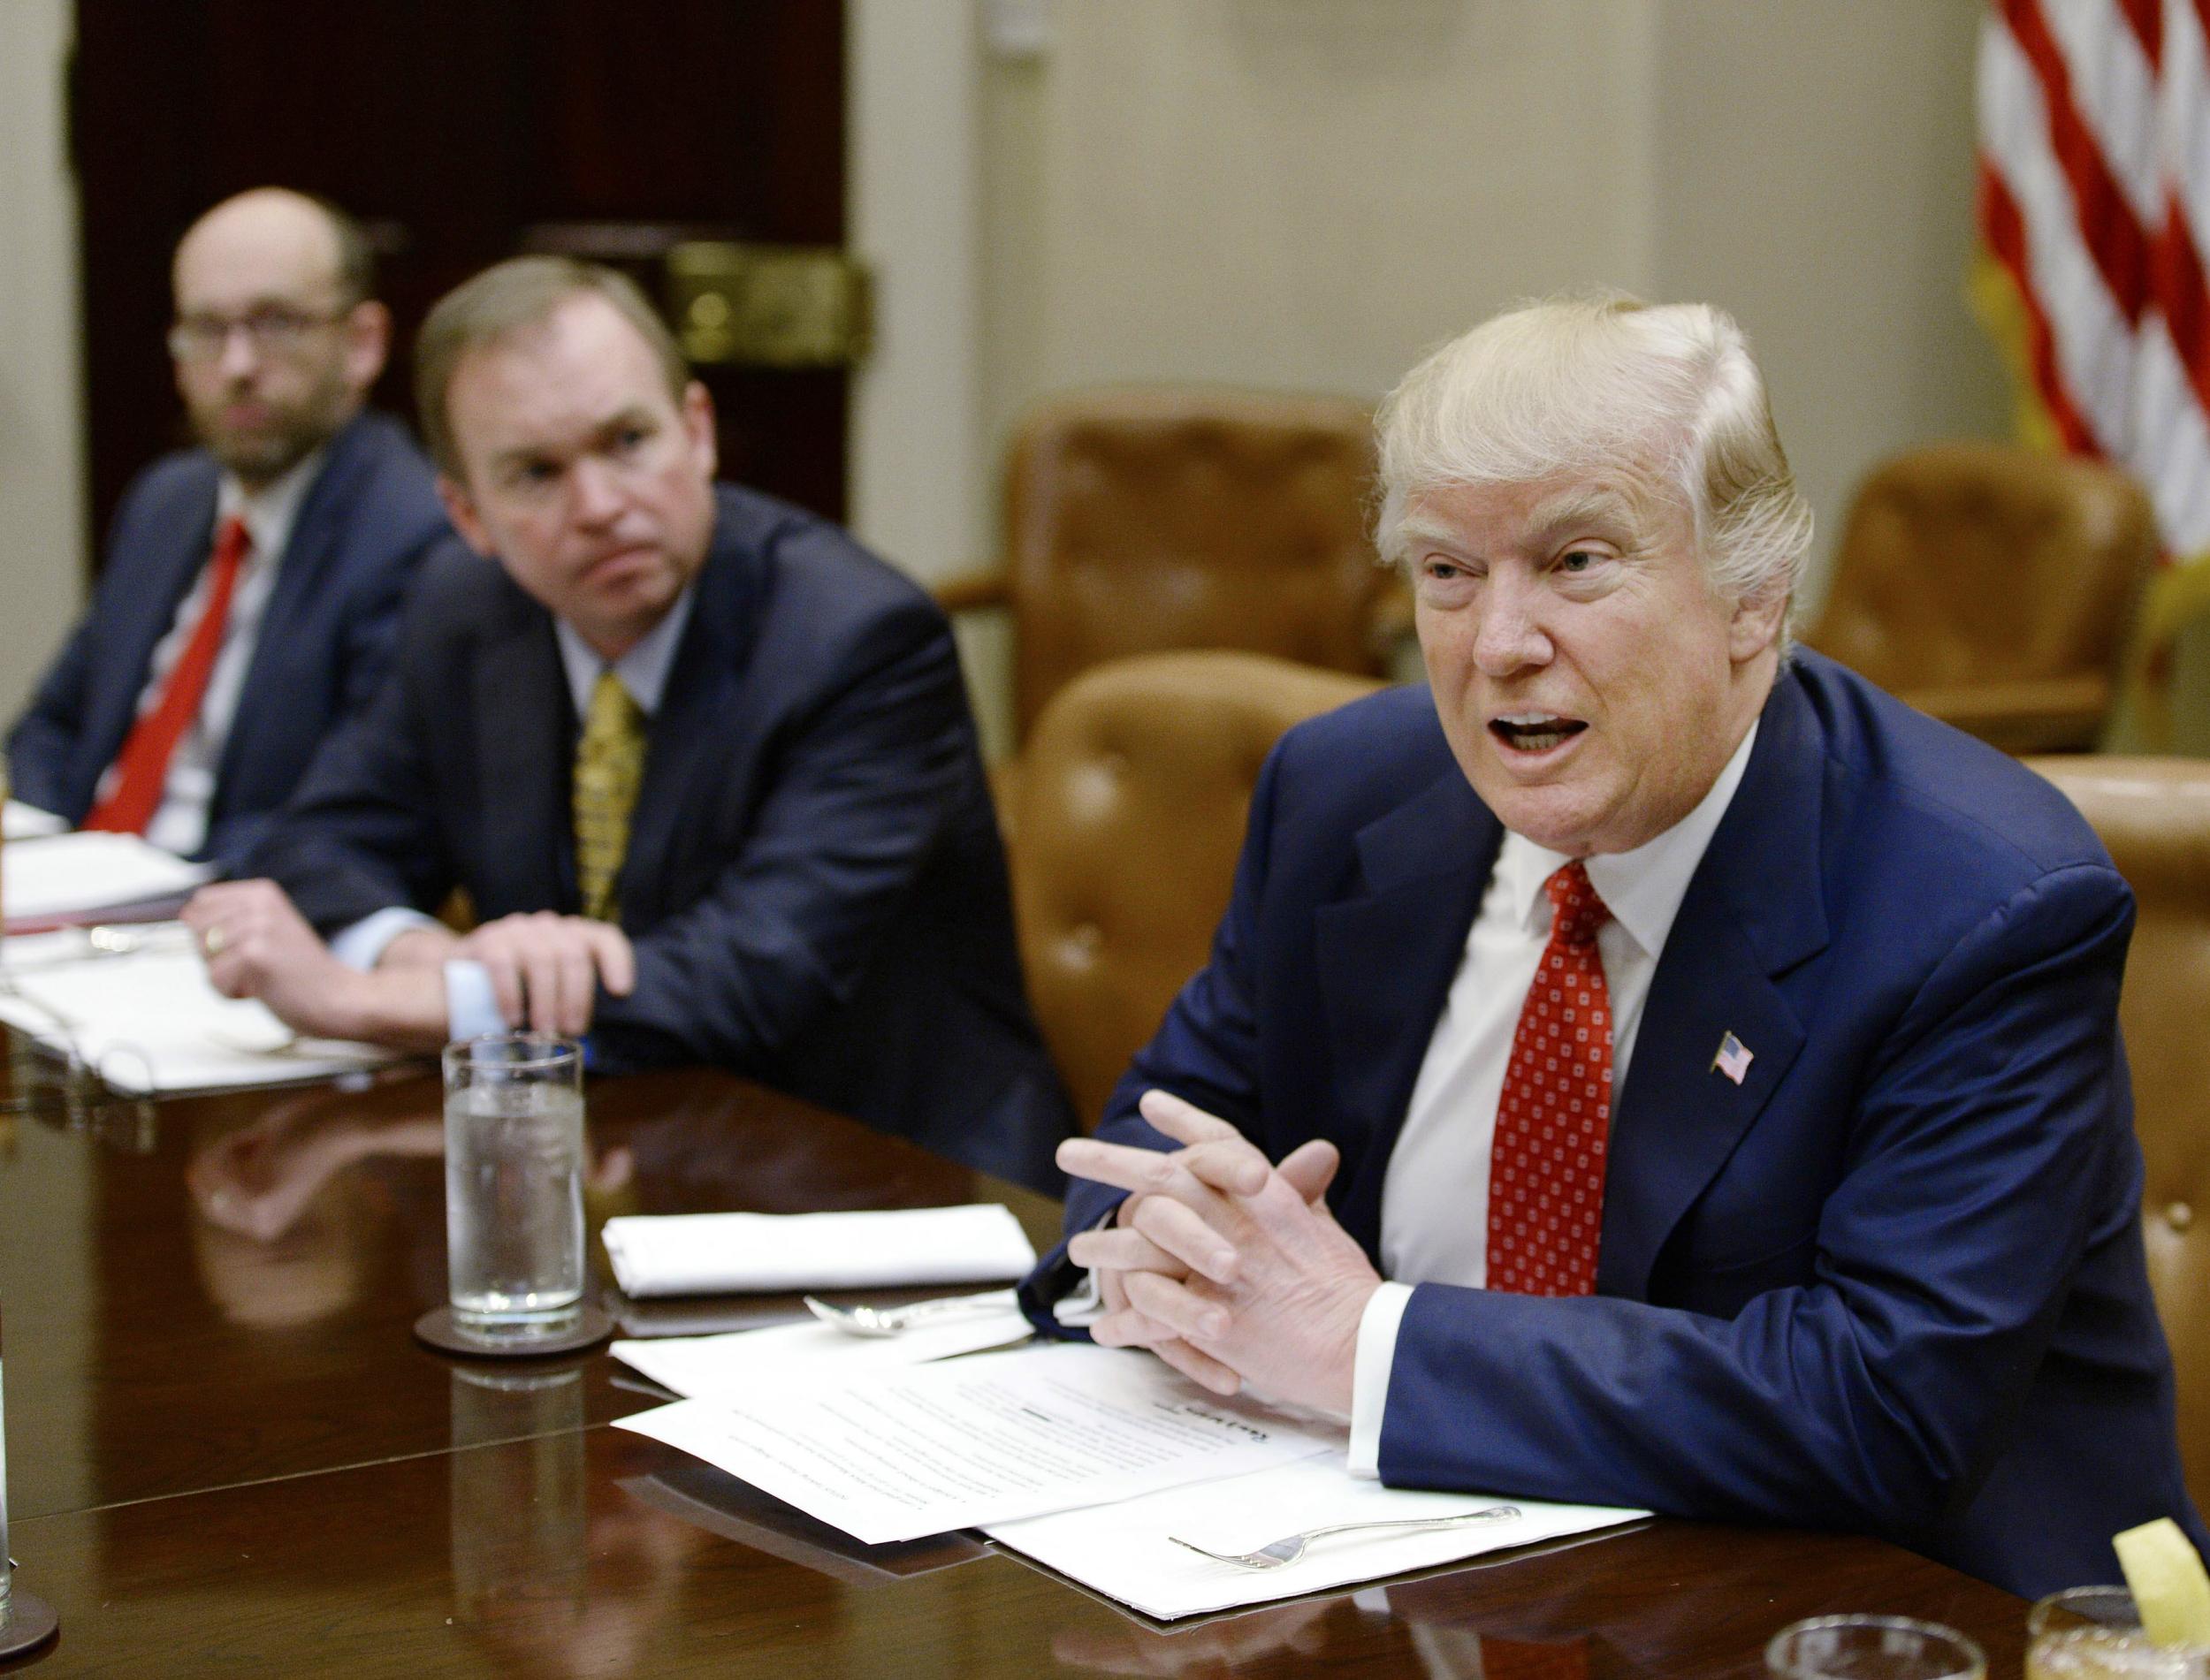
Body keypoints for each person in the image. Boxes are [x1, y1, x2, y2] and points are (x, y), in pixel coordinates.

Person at [1025, 295, 2205, 1596]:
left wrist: (1364, 1346)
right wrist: (1168, 1246)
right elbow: (1160, 1132)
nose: (1499, 646)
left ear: (1754, 596)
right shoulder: (1348, 795)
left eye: (1578, 561)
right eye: (1447, 572)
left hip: (1909, 1612)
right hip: (1402, 1573)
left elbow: (1883, 1409)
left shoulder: (1983, 902)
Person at [182, 256, 1071, 1190]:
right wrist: (428, 953)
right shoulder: (466, 613)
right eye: (535, 472)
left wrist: (371, 1000)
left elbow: (746, 977)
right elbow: (321, 840)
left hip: (885, 1183)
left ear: (697, 431)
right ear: (467, 513)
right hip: (607, 1162)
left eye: (627, 441)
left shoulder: (860, 641)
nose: (601, 507)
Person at [7, 187, 447, 867]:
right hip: (72, 905)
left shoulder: (414, 533)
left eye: (275, 324)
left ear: (363, 343)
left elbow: (346, 814)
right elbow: (53, 725)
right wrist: (46, 862)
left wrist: (129, 888)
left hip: (215, 914)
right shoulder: (165, 501)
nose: (238, 365)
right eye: (208, 330)